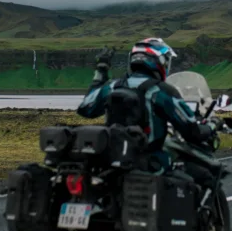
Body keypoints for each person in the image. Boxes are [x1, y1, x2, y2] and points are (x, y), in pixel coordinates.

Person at [77, 37, 216, 187]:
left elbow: (86, 108)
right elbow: (190, 130)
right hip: (150, 163)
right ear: (160, 61)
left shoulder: (112, 87)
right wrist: (211, 126)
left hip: (112, 160)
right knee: (204, 177)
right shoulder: (160, 90)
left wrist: (101, 70)